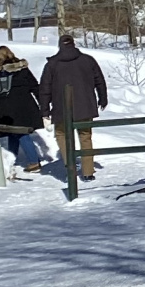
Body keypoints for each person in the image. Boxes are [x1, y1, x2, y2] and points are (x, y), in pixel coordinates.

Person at [39, 31, 109, 180]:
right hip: (85, 106)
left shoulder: (52, 64)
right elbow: (99, 80)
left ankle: (70, 164)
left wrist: (45, 110)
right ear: (73, 44)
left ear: (59, 46)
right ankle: (88, 171)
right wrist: (103, 98)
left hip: (61, 108)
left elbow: (45, 88)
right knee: (85, 136)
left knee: (62, 135)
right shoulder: (87, 60)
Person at [0, 45, 52, 174]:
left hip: (6, 110)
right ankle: (12, 160)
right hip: (25, 108)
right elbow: (34, 86)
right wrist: (43, 104)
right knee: (14, 134)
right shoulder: (22, 69)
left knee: (21, 134)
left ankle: (33, 162)